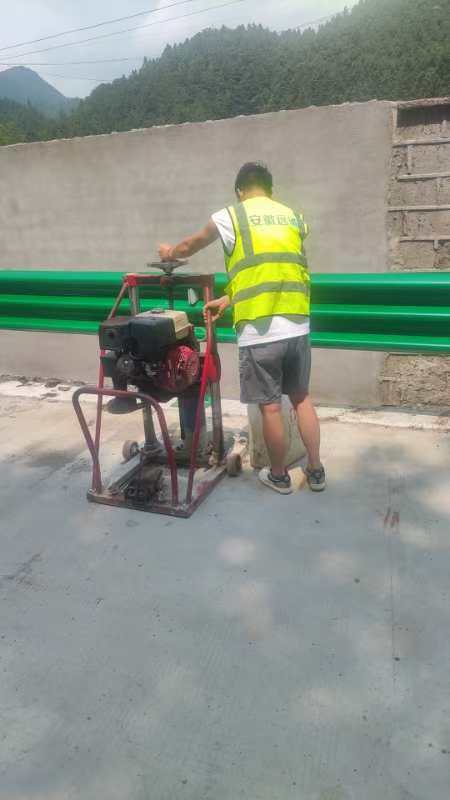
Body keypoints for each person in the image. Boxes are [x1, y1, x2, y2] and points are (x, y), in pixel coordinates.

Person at [158, 161, 325, 494]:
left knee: (271, 407)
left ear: (239, 190)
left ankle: (279, 476)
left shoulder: (232, 216)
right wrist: (228, 298)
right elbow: (269, 269)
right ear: (270, 189)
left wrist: (169, 252)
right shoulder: (292, 216)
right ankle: (316, 470)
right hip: (297, 324)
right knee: (301, 398)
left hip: (261, 330)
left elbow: (191, 246)